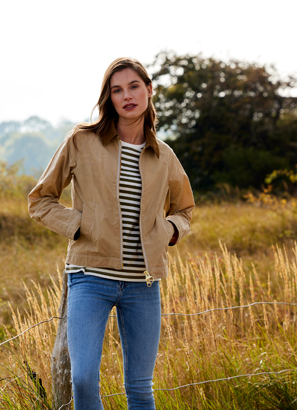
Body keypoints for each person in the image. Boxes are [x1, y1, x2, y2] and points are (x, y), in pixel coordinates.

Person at [27, 57, 194, 409]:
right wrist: (78, 226)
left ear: (149, 91)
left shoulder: (164, 156)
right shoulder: (82, 141)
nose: (127, 96)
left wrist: (169, 230)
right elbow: (40, 200)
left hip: (143, 285)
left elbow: (185, 210)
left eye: (134, 86)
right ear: (109, 98)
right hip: (90, 277)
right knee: (84, 379)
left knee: (140, 389)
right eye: (117, 90)